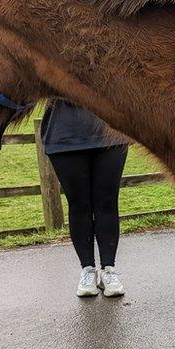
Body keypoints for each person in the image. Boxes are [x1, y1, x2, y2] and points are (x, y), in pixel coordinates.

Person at [40, 100, 129, 297]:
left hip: (110, 133)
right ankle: (87, 269)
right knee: (79, 204)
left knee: (107, 202)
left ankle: (109, 270)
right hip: (65, 136)